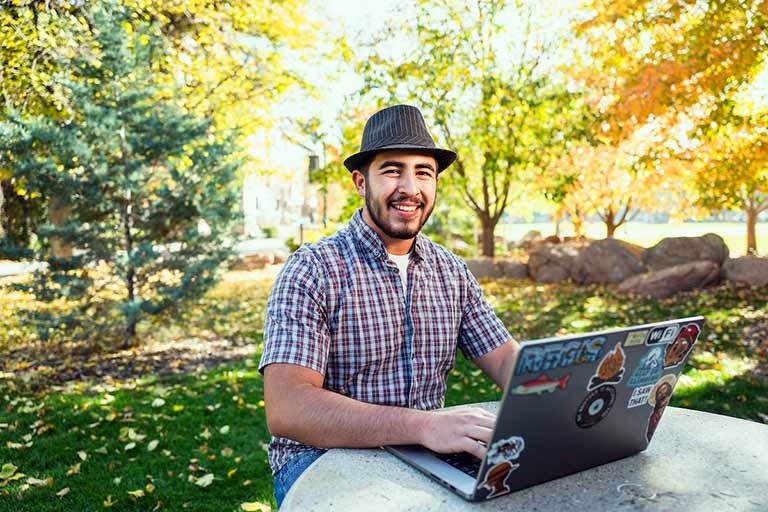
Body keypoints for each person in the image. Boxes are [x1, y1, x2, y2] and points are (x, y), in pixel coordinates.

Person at [259, 104, 520, 507]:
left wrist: (564, 397)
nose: (410, 188)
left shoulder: (450, 270)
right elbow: (289, 407)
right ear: (361, 182)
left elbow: (507, 362)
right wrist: (424, 425)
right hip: (323, 459)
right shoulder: (312, 269)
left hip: (428, 456)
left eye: (423, 172)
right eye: (393, 170)